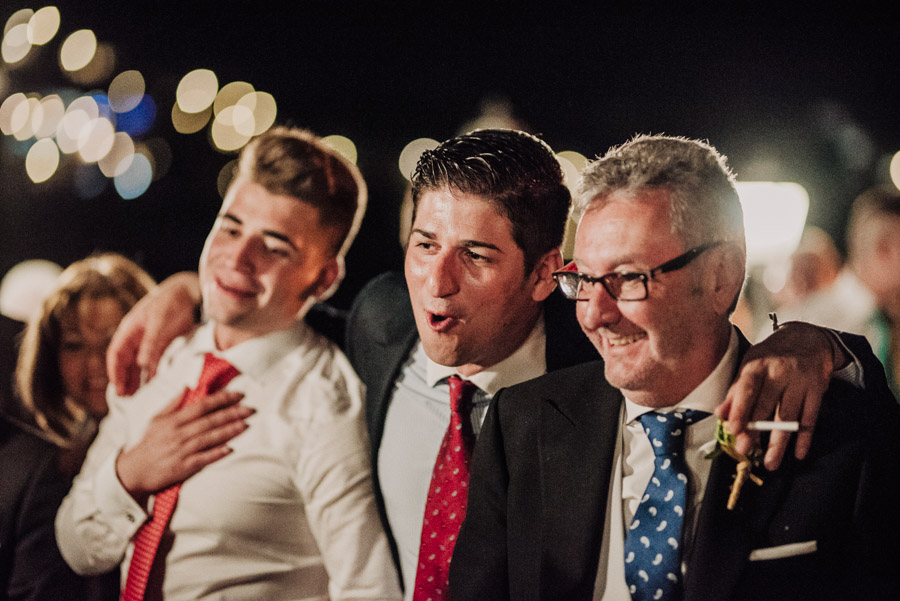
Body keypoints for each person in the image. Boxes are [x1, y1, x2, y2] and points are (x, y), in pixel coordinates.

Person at [106, 129, 865, 601]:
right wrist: (181, 294)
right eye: (425, 245)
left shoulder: (592, 365)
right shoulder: (379, 324)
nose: (437, 282)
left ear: (543, 275)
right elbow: (280, 315)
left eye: (475, 255)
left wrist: (820, 343)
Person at [450, 135, 900, 600]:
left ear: (721, 278)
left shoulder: (840, 439)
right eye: (583, 279)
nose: (593, 313)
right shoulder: (523, 425)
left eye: (627, 278)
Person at [55, 127, 402, 601]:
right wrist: (131, 473)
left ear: (323, 279)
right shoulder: (160, 355)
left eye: (275, 247)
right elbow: (77, 547)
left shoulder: (324, 403)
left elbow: (368, 589)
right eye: (231, 227)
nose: (238, 258)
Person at [16, 253, 156, 478]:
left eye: (112, 341)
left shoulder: (171, 435)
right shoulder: (49, 466)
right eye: (74, 345)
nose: (94, 362)